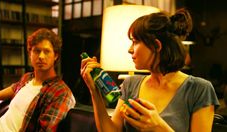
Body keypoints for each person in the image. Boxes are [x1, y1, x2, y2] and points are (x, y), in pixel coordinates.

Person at [80, 8, 219, 132]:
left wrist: (159, 127)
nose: (129, 50)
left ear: (156, 46)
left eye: (135, 41)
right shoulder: (131, 84)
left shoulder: (199, 89)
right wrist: (95, 92)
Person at [0, 28, 76, 131]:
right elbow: (14, 88)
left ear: (56, 56)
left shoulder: (61, 93)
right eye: (37, 51)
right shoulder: (28, 78)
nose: (41, 56)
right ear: (30, 54)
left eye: (46, 51)